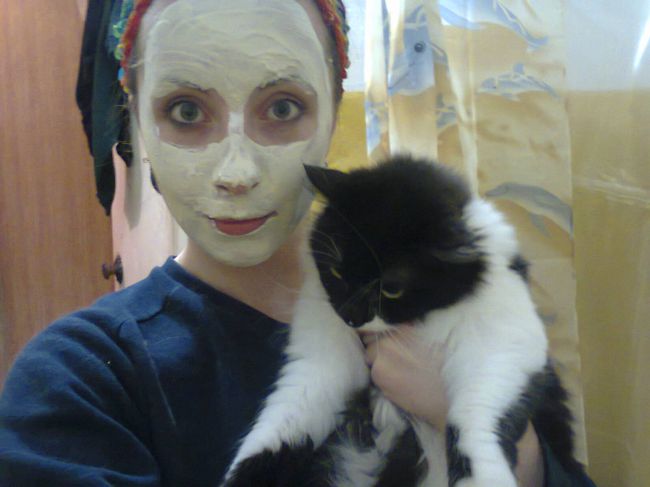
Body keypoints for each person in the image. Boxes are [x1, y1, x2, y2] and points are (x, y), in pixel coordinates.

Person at [0, 1, 597, 486]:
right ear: (136, 122)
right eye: (185, 111)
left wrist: (493, 428)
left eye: (282, 107)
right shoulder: (80, 380)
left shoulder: (451, 289)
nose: (237, 173)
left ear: (334, 110)